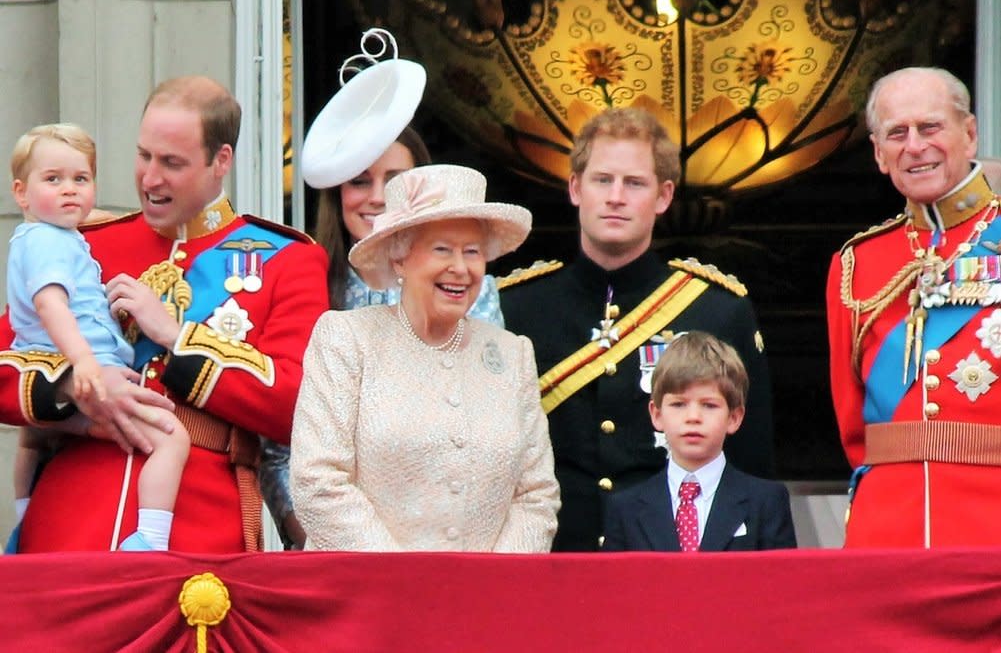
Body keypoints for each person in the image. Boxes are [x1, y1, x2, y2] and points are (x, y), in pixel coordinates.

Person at [0, 75, 329, 552]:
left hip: (198, 537)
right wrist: (74, 386)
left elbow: (297, 405)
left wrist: (180, 338)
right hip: (67, 526)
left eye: (171, 163)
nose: (150, 179)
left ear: (222, 161)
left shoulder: (287, 260)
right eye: (143, 156)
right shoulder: (84, 244)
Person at [501, 106, 775, 552]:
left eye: (634, 183)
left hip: (669, 556)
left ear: (664, 196)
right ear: (575, 188)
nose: (616, 196)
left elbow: (751, 470)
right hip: (549, 551)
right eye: (602, 180)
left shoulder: (718, 309)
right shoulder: (515, 307)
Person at [290, 164, 560, 551]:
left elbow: (537, 495)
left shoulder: (511, 353)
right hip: (366, 596)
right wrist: (409, 585)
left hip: (484, 603)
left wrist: (497, 585)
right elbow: (317, 481)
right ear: (400, 258)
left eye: (473, 252)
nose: (461, 268)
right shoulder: (346, 339)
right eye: (442, 250)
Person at [826, 66, 1001, 548]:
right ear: (880, 154)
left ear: (969, 134)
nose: (915, 146)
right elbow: (853, 426)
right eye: (897, 133)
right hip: (887, 529)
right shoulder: (855, 264)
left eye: (930, 127)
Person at [7, 123, 190, 552]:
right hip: (92, 365)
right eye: (53, 180)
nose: (69, 190)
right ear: (21, 193)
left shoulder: (45, 236)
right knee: (171, 438)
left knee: (35, 438)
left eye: (81, 180)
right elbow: (52, 304)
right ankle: (151, 538)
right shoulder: (51, 243)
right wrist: (84, 361)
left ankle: (21, 526)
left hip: (44, 367)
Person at [602, 331, 795, 552]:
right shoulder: (626, 508)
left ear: (734, 417)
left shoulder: (766, 502)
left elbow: (781, 582)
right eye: (678, 404)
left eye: (709, 405)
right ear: (656, 415)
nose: (693, 417)